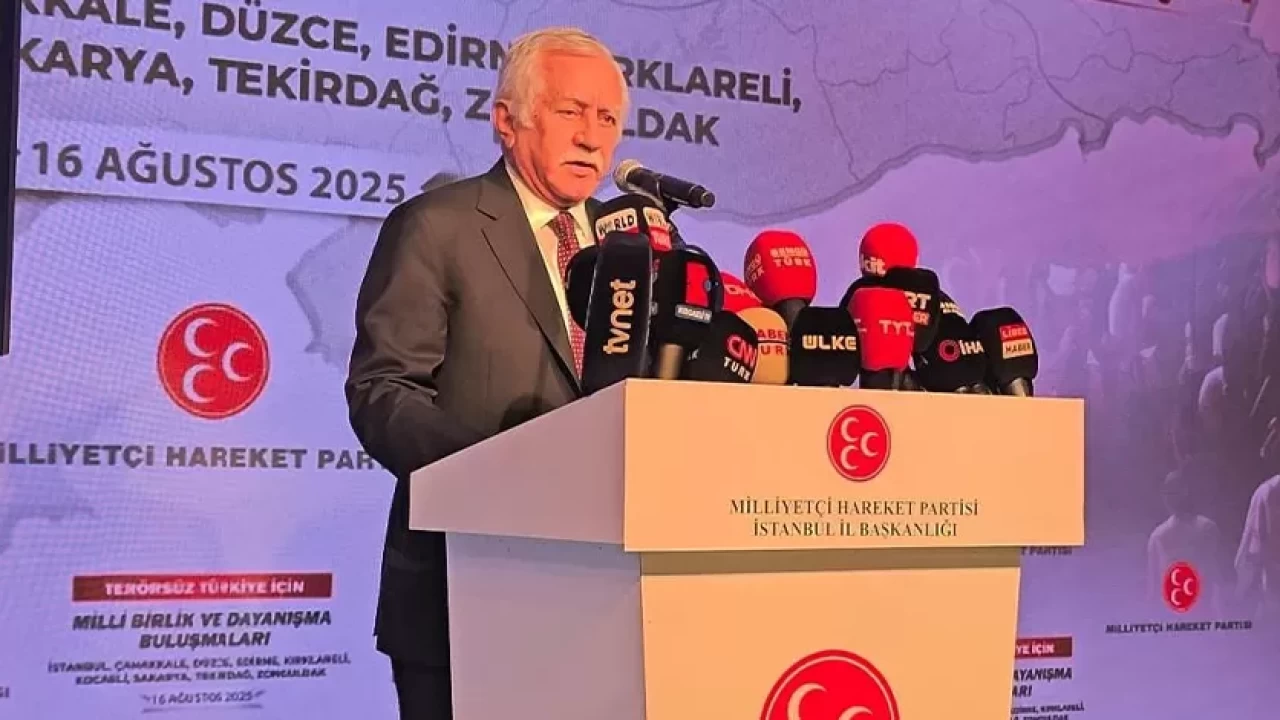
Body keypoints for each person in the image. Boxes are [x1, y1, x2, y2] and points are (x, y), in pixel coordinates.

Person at [344, 26, 628, 720]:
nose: (591, 138)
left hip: (607, 601)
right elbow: (384, 391)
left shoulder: (632, 250)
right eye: (570, 111)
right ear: (507, 120)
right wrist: (495, 476)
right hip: (461, 592)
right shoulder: (437, 227)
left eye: (607, 119)